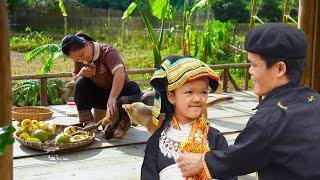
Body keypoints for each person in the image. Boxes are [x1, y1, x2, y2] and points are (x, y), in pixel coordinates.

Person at [177, 23, 320, 179]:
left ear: (280, 69)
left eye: (254, 64)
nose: (250, 71)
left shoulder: (270, 120)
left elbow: (238, 158)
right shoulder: (315, 100)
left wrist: (201, 161)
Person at [141, 55, 236, 180]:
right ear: (171, 97)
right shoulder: (156, 143)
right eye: (189, 92)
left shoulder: (215, 139)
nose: (197, 99)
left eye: (203, 92)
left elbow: (229, 175)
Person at [61, 32, 141, 139]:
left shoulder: (107, 51)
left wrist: (112, 97)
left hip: (118, 96)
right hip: (99, 97)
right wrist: (81, 73)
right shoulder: (80, 59)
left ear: (86, 44)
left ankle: (122, 124)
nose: (81, 60)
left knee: (133, 88)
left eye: (81, 55)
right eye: (77, 59)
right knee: (80, 83)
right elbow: (75, 78)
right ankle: (88, 122)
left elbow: (119, 73)